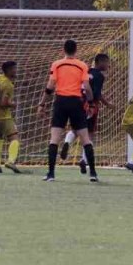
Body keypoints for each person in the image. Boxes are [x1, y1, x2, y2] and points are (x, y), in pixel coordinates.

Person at [38, 39, 96, 182]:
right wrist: (91, 104)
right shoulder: (82, 65)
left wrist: (42, 104)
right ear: (76, 50)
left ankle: (51, 174)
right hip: (76, 103)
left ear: (63, 49)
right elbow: (87, 88)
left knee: (54, 139)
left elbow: (50, 85)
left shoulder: (56, 64)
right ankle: (93, 174)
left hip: (61, 102)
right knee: (85, 139)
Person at [61, 53, 111, 174]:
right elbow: (97, 94)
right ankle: (84, 160)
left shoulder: (85, 71)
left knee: (75, 129)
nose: (108, 65)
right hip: (90, 105)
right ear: (99, 62)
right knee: (89, 133)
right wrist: (107, 104)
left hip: (77, 102)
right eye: (106, 62)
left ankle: (67, 142)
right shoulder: (99, 75)